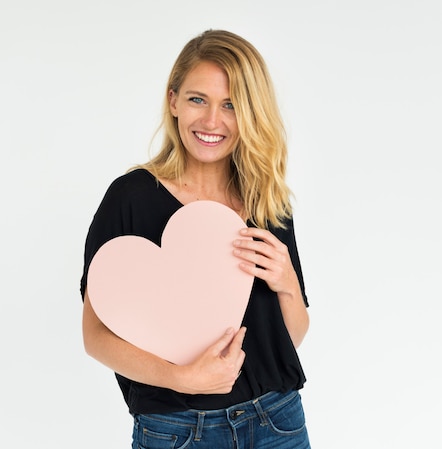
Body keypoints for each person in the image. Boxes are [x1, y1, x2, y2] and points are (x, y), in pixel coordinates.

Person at [80, 29, 311, 449]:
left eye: (231, 105)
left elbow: (289, 340)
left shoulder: (266, 200)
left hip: (277, 421)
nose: (211, 121)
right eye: (197, 99)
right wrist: (181, 377)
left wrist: (288, 284)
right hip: (177, 430)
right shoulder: (129, 198)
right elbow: (95, 336)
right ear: (173, 102)